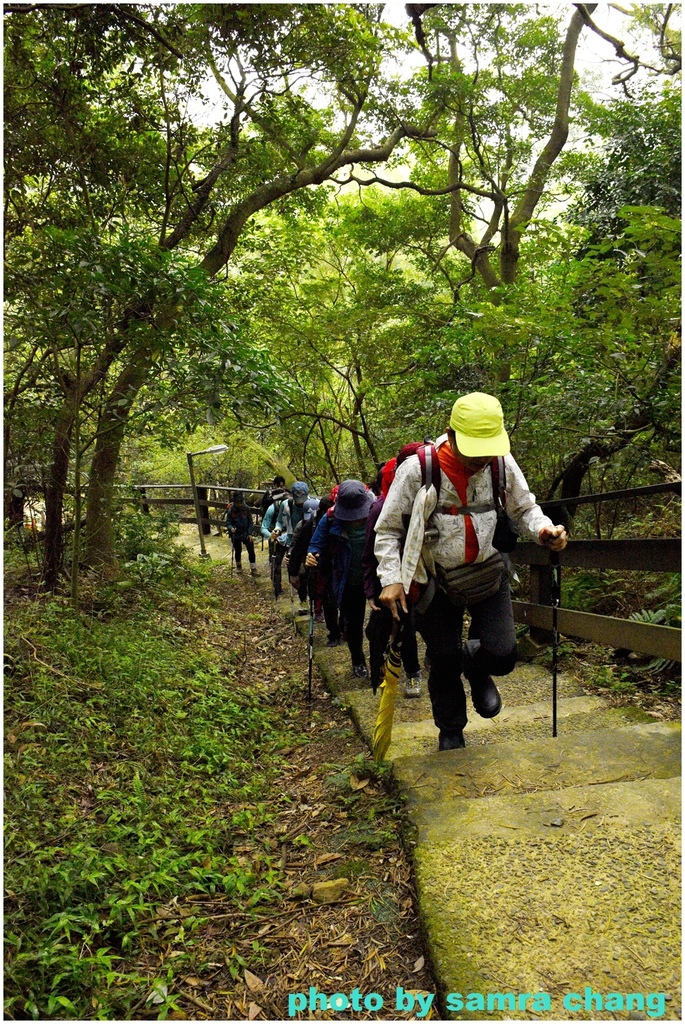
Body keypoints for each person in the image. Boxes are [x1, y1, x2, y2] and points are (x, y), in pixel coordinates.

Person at [374, 392, 568, 751]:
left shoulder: (499, 463)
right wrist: (391, 579)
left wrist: (544, 530)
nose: (480, 458)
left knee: (504, 654)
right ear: (451, 433)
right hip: (434, 580)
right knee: (443, 658)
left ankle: (476, 664)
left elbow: (525, 508)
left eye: (486, 449)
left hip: (487, 573)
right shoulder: (418, 469)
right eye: (473, 449)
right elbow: (387, 530)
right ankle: (451, 730)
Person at [363, 446, 424, 697]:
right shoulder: (379, 509)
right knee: (387, 627)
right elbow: (369, 551)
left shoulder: (426, 500)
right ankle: (382, 673)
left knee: (409, 627)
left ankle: (412, 672)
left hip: (418, 577)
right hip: (388, 580)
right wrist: (370, 590)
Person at [306, 480, 374, 679]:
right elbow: (315, 544)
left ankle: (381, 657)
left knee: (378, 624)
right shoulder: (330, 519)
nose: (354, 520)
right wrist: (311, 555)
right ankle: (358, 661)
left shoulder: (378, 511)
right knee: (353, 625)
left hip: (376, 577)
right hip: (348, 580)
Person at [225, 491, 258, 575]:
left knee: (251, 550)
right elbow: (228, 522)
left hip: (246, 533)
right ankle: (239, 567)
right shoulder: (231, 510)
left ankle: (253, 568)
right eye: (238, 502)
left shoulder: (246, 508)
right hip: (236, 534)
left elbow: (250, 522)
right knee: (238, 550)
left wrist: (250, 533)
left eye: (240, 502)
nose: (239, 504)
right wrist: (231, 528)